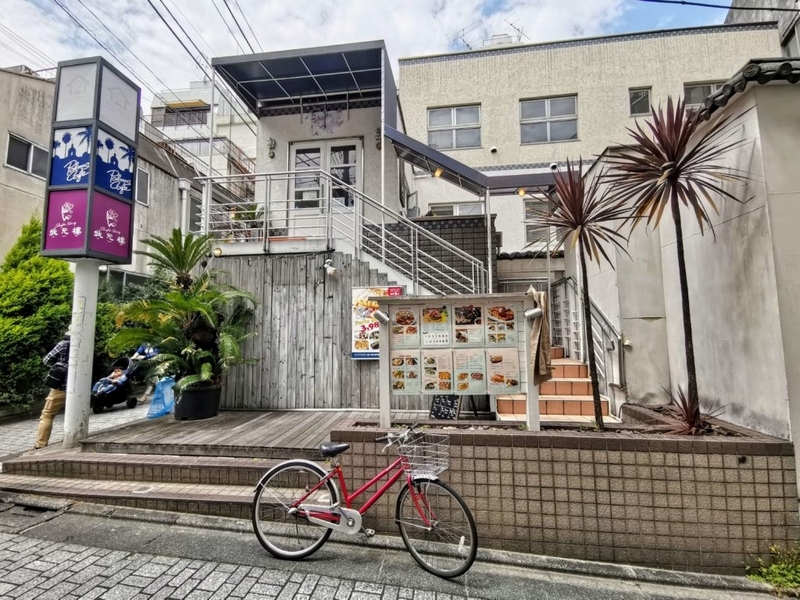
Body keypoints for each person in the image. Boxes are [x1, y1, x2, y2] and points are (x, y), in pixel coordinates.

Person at [34, 334, 70, 450]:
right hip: (80, 387)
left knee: (47, 414)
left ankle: (40, 444)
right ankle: (71, 436)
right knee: (71, 413)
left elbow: (47, 360)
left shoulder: (63, 344)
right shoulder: (86, 345)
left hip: (61, 386)